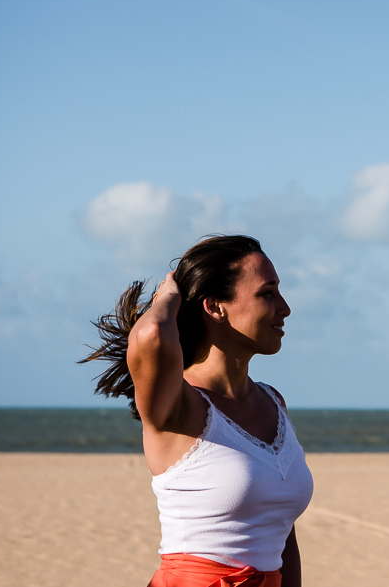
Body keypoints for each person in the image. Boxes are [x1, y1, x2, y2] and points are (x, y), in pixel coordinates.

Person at [81, 235, 311, 587]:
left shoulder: (273, 403)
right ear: (216, 307)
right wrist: (168, 297)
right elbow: (152, 334)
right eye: (267, 293)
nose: (285, 307)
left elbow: (281, 534)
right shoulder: (177, 407)